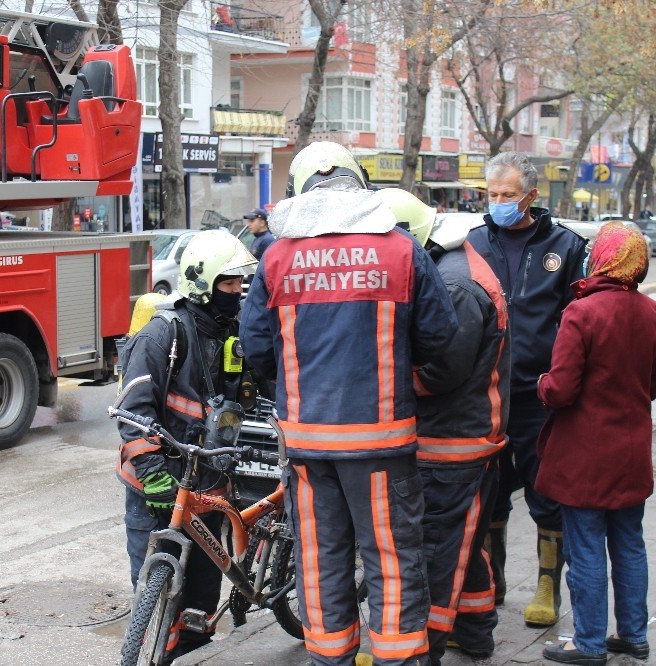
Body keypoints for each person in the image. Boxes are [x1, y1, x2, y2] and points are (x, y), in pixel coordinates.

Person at [241, 142, 458, 666]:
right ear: (361, 184)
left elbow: (256, 348)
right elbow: (442, 340)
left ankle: (329, 659)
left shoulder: (276, 255)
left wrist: (300, 387)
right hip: (383, 443)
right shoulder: (402, 249)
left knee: (319, 560)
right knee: (391, 559)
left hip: (308, 446)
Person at [377, 188, 510, 665]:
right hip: (465, 437)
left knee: (436, 553)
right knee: (462, 545)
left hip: (452, 443)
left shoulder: (454, 285)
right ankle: (475, 634)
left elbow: (441, 371)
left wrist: (384, 383)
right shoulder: (455, 266)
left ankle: (426, 649)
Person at [115, 230, 257, 660]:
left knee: (199, 599)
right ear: (203, 283)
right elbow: (131, 411)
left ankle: (191, 653)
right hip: (154, 486)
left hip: (208, 486)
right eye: (229, 284)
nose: (238, 292)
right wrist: (154, 471)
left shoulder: (233, 331)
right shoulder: (163, 335)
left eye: (238, 283)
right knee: (154, 597)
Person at [466, 151, 588, 627]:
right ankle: (493, 576)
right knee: (490, 487)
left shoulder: (566, 245)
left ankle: (546, 585)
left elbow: (578, 317)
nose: (498, 203)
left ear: (531, 197)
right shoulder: (473, 242)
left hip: (541, 393)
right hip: (487, 391)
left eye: (508, 196)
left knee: (545, 489)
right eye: (492, 195)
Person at [536, 223, 656, 665]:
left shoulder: (582, 312)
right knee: (629, 544)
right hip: (631, 453)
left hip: (585, 457)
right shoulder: (651, 312)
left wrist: (541, 384)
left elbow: (561, 390)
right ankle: (633, 635)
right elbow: (652, 386)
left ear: (604, 259)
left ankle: (589, 642)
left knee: (586, 547)